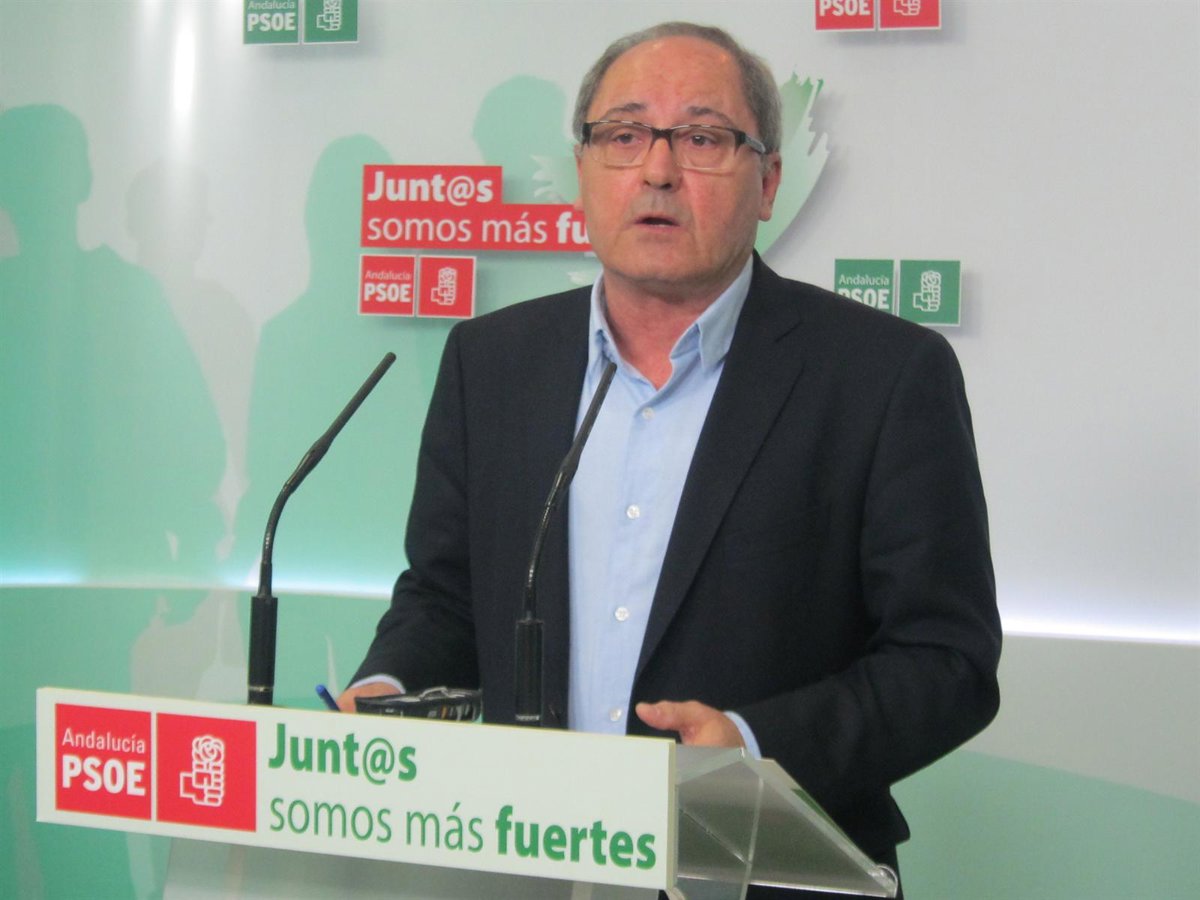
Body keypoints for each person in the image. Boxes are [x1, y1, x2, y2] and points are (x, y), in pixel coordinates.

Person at [340, 21, 1001, 896]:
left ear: (768, 181)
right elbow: (446, 594)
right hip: (531, 863)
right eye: (622, 136)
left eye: (702, 139)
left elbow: (946, 661)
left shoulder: (882, 375)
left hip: (766, 874)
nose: (656, 170)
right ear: (583, 169)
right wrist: (390, 688)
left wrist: (753, 747)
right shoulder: (492, 362)